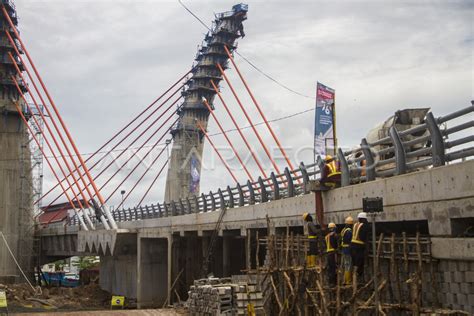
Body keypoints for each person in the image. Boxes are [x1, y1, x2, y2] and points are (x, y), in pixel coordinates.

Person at [351, 212, 370, 279]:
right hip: (359, 246)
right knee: (360, 262)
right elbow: (364, 237)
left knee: (355, 262)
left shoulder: (355, 224)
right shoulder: (364, 225)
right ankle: (359, 277)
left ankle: (355, 276)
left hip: (352, 245)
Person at [340, 216, 353, 285]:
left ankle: (345, 280)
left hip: (344, 249)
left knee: (345, 264)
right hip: (348, 249)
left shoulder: (343, 230)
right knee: (348, 265)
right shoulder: (349, 231)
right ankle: (348, 281)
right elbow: (351, 241)